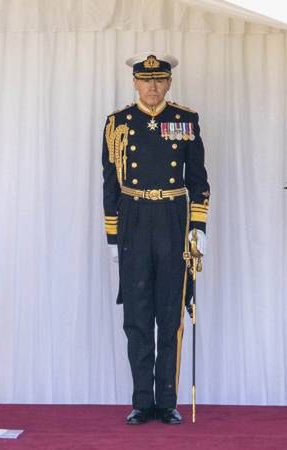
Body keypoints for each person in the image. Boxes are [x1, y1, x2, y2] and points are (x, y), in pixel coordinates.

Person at [101, 53, 210, 425]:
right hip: (133, 216)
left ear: (168, 83)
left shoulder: (185, 120)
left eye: (159, 80)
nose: (152, 86)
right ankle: (141, 401)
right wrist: (113, 238)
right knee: (137, 315)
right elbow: (110, 184)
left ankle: (167, 400)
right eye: (145, 80)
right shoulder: (117, 124)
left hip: (172, 218)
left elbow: (198, 181)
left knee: (170, 314)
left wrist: (198, 230)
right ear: (134, 82)